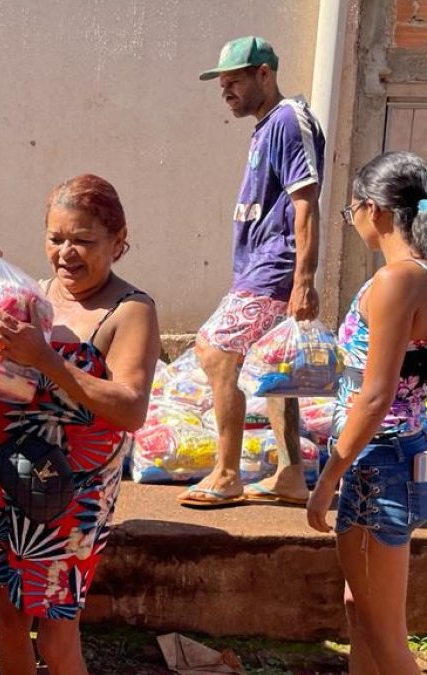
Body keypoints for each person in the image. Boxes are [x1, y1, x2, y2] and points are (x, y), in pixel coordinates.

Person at [0, 175, 159, 675]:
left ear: (120, 242)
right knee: (5, 616)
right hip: (3, 483)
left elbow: (127, 408)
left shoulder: (131, 312)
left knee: (57, 632)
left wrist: (45, 358)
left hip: (68, 501)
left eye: (84, 240)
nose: (67, 253)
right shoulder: (33, 296)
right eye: (55, 238)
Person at [282, 151, 427, 675]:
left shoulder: (395, 281)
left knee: (386, 631)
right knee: (362, 609)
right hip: (402, 458)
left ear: (373, 209)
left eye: (351, 210)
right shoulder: (423, 275)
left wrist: (328, 474)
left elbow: (372, 397)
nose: (352, 221)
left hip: (376, 466)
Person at [180, 35, 324, 508]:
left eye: (235, 81)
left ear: (265, 73)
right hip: (259, 263)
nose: (227, 92)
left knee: (217, 349)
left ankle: (226, 474)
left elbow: (306, 203)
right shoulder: (266, 126)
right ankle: (289, 474)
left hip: (275, 264)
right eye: (222, 84)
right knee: (275, 369)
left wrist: (303, 281)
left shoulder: (288, 120)